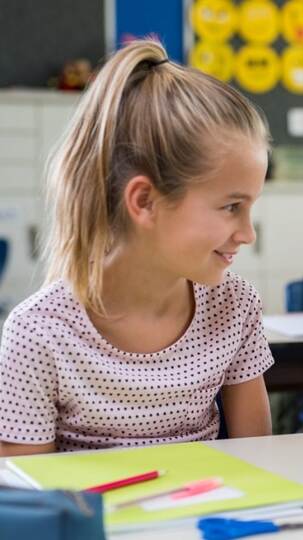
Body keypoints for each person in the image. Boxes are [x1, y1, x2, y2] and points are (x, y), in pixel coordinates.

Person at [0, 40, 274, 455]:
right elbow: (28, 506)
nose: (247, 233)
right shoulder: (38, 333)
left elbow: (261, 459)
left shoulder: (235, 306)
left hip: (208, 516)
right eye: (232, 206)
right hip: (97, 521)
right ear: (144, 202)